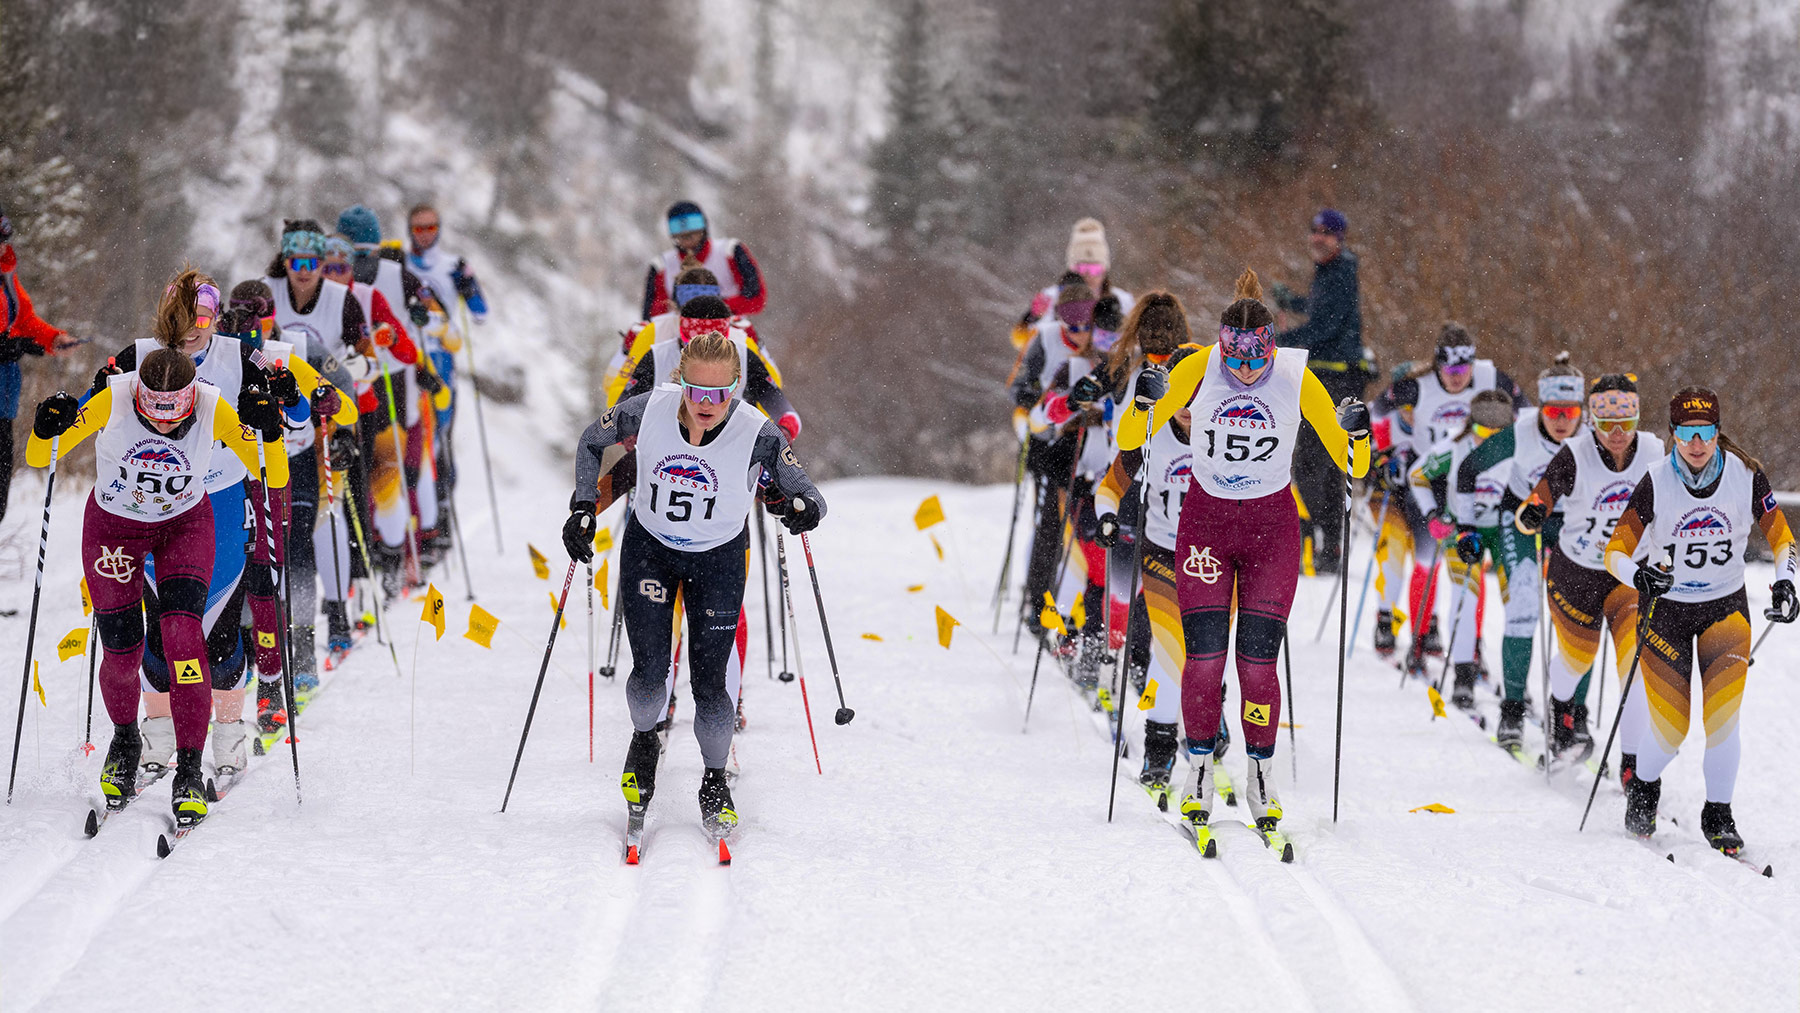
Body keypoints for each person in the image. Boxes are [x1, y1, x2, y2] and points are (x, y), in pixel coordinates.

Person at [1119, 269, 1370, 851]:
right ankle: (1199, 773)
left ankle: (1260, 775)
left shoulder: (1294, 376)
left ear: (1272, 348)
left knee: (1258, 666)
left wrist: (1357, 432)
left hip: (1271, 530)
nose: (1247, 370)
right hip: (1205, 526)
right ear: (1221, 347)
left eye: (1257, 359)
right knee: (1204, 661)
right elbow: (1136, 435)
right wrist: (1143, 400)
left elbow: (1352, 464)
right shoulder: (1195, 367)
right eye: (1236, 360)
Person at [563, 332, 824, 843]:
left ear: (734, 389)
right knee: (648, 675)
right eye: (696, 392)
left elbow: (807, 492)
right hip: (651, 549)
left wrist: (803, 510)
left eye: (719, 394)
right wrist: (581, 507)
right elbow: (592, 441)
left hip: (719, 559)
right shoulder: (649, 409)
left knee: (710, 685)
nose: (706, 405)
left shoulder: (758, 432)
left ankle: (713, 781)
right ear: (681, 382)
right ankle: (644, 742)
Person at [28, 317, 289, 826]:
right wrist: (47, 425)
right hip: (115, 532)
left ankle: (189, 767)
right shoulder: (113, 398)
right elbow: (44, 455)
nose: (167, 424)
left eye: (177, 415)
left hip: (183, 528)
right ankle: (126, 739)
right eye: (155, 414)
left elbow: (271, 471)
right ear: (138, 396)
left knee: (182, 637)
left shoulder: (213, 405)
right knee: (123, 651)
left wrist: (269, 429)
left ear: (193, 397)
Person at [1598, 387, 1796, 852]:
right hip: (1665, 611)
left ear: (1717, 432)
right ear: (1672, 435)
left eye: (1705, 432)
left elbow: (1783, 538)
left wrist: (1786, 581)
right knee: (1671, 729)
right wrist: (1639, 575)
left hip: (1725, 610)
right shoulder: (1654, 480)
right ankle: (1644, 787)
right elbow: (1615, 553)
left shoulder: (1747, 476)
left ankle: (1719, 813)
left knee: (1723, 720)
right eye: (1686, 434)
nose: (1696, 443)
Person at [1090, 293, 1236, 803]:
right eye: (1184, 402)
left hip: (1215, 557)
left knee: (1206, 653)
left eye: (1200, 400)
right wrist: (1107, 520)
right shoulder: (1150, 437)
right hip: (1161, 551)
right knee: (1169, 654)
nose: (1194, 413)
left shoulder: (1223, 436)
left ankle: (1210, 723)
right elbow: (1107, 487)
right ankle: (1159, 747)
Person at [1516, 374, 1664, 775]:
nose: (1617, 434)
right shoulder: (1575, 453)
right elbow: (1544, 491)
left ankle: (1632, 765)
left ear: (1637, 420)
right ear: (1592, 422)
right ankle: (1561, 708)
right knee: (1578, 658)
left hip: (1630, 576)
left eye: (1626, 423)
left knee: (1635, 664)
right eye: (1605, 423)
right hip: (1576, 572)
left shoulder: (1654, 451)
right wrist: (1534, 510)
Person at [1370, 325, 1527, 667]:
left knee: (1471, 562)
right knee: (1428, 557)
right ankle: (1421, 634)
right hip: (1430, 476)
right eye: (1449, 370)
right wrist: (1385, 454)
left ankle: (1471, 642)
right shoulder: (1417, 386)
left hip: (1475, 479)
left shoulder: (1490, 377)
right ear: (1437, 365)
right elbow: (1376, 411)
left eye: (1463, 369)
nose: (1457, 378)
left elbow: (1526, 412)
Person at [1453, 354, 1588, 748]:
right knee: (1524, 604)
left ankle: (1575, 716)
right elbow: (1468, 469)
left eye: (1570, 412)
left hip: (1573, 525)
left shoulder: (1594, 437)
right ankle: (1512, 709)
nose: (1561, 421)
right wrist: (1464, 528)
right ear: (1540, 409)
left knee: (1579, 616)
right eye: (1552, 411)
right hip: (1521, 520)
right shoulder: (1521, 431)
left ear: (1581, 411)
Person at [1271, 208, 1369, 574]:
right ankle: (1328, 548)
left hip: (1335, 377)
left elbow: (1325, 327)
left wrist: (1279, 342)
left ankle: (1316, 540)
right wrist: (1292, 302)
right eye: (1314, 231)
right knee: (1325, 465)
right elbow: (1319, 310)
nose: (1318, 237)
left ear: (1339, 238)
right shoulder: (1330, 271)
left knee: (1313, 464)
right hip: (1331, 375)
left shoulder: (1340, 270)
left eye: (1327, 233)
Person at [1407, 390, 1520, 703]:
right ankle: (1463, 675)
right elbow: (1417, 475)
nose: (1491, 442)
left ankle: (1516, 682)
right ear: (1472, 425)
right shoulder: (1455, 447)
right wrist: (1432, 514)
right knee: (1464, 602)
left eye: (1499, 434)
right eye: (1484, 432)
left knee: (1518, 605)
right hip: (1463, 532)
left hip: (1504, 531)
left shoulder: (1522, 445)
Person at [1008, 283, 1099, 644]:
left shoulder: (1104, 347)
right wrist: (1040, 400)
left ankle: (1077, 608)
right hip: (1047, 445)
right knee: (1047, 525)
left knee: (1083, 528)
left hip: (1084, 448)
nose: (1078, 334)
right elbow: (1017, 386)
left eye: (1085, 326)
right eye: (1071, 327)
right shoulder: (1044, 338)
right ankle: (1038, 604)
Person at [0, 206, 76, 527]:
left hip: (4, 389)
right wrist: (10, 347)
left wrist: (53, 338)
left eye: (6, 239)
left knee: (3, 469)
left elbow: (26, 320)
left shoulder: (6, 274)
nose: (3, 246)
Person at [1010, 219, 1136, 348]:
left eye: (1095, 269)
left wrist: (1118, 327)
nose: (1089, 276)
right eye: (1082, 268)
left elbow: (1134, 343)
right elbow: (1022, 345)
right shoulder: (1050, 298)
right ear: (1071, 269)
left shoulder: (1121, 300)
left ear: (1105, 270)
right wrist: (1032, 318)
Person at [641, 201, 765, 323]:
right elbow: (651, 316)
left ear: (704, 230)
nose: (688, 241)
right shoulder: (661, 266)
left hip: (730, 330)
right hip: (680, 332)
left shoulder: (730, 251)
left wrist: (713, 308)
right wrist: (676, 309)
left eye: (693, 234)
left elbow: (756, 299)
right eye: (681, 237)